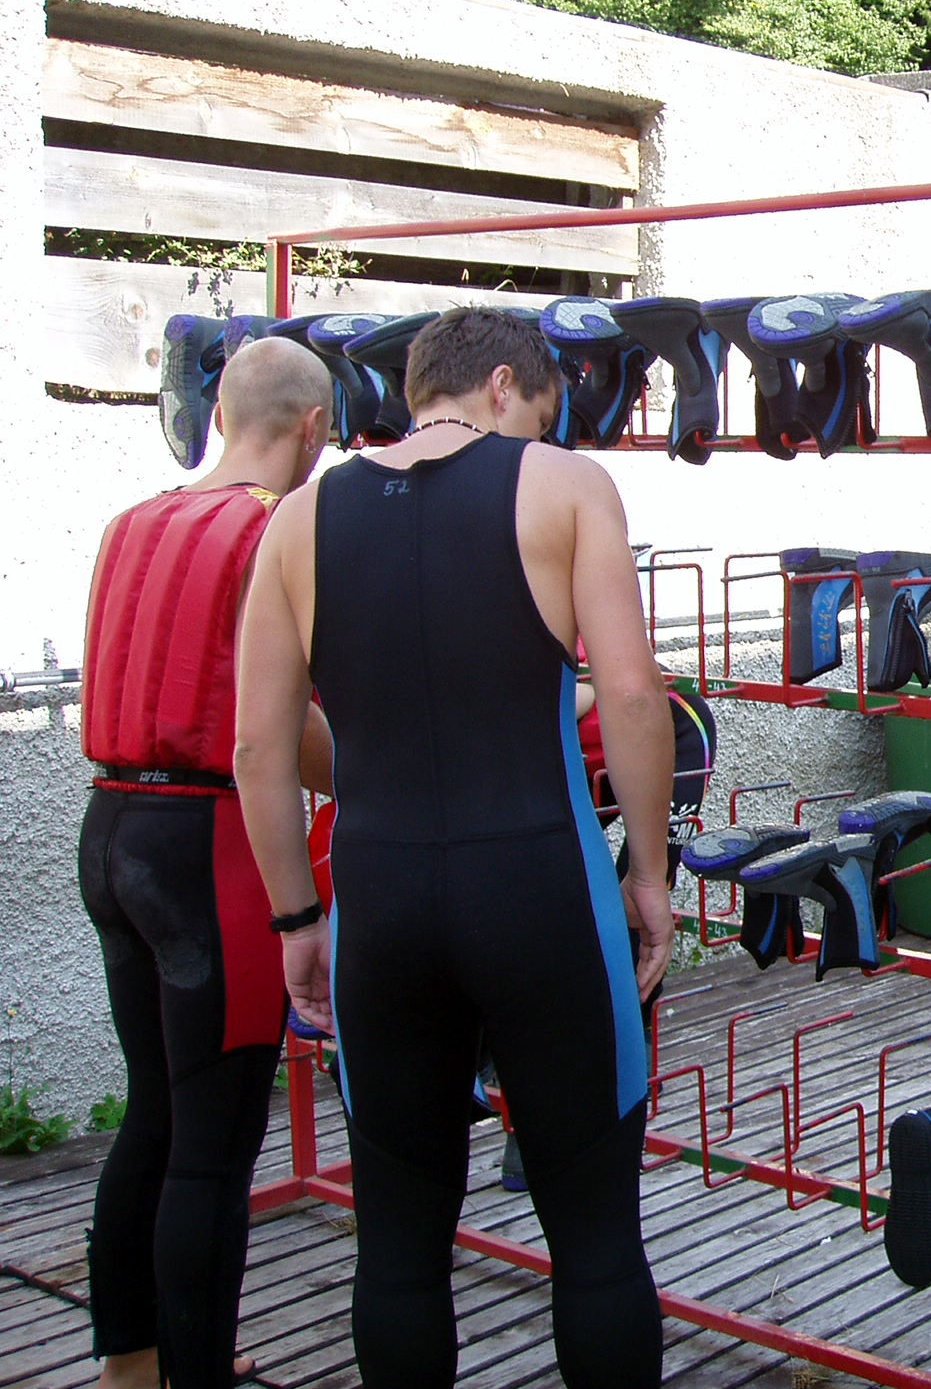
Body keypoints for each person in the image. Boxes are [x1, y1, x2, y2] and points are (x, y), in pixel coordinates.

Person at [233, 306, 674, 1389]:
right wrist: (650, 875)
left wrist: (297, 920)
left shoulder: (300, 518)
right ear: (502, 387)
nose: (536, 436)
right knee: (596, 1237)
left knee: (397, 1242)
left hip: (379, 900)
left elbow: (257, 746)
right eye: (538, 414)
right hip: (539, 887)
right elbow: (630, 694)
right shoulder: (565, 485)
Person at [78, 337, 333, 1389]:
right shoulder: (276, 529)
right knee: (214, 1149)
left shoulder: (129, 521)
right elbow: (279, 732)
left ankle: (127, 1366)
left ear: (219, 414)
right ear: (315, 428)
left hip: (109, 829)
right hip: (207, 846)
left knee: (153, 1111)